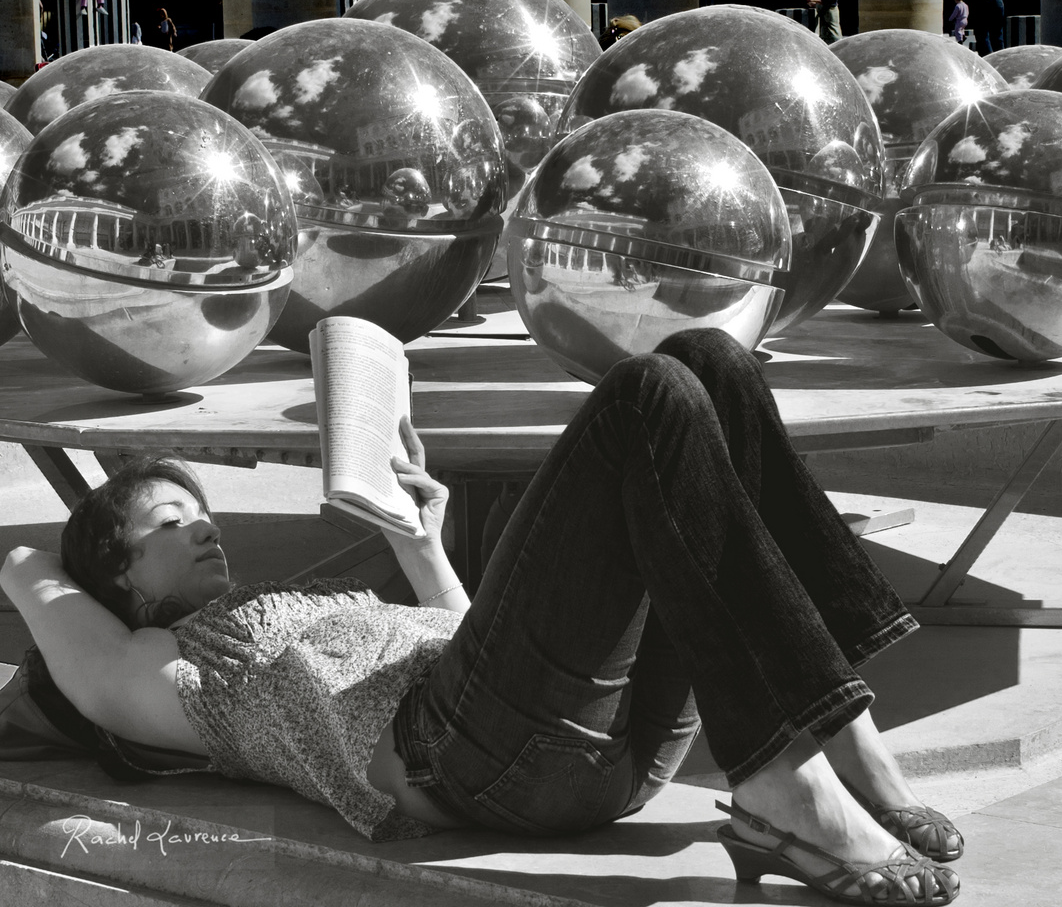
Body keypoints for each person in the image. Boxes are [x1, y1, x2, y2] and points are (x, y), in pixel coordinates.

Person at [1, 329, 962, 905]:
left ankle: (851, 749)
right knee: (644, 399)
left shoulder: (296, 602)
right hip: (463, 763)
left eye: (203, 510)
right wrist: (60, 568)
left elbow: (465, 644)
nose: (205, 526)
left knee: (706, 361)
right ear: (118, 582)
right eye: (172, 521)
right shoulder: (152, 668)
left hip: (544, 731)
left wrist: (425, 547)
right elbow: (29, 566)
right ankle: (784, 786)